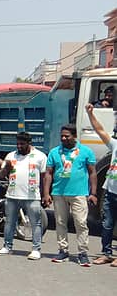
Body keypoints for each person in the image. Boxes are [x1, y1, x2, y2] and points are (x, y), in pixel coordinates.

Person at [44, 123, 97, 266]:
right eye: (62, 136)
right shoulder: (55, 152)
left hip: (79, 193)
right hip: (59, 193)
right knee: (60, 222)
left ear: (74, 136)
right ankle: (63, 251)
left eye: (67, 136)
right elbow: (48, 173)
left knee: (80, 223)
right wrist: (46, 193)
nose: (63, 138)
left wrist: (93, 193)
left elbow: (92, 172)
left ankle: (83, 253)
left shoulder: (86, 151)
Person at [0, 132, 47, 261]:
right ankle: (7, 246)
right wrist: (6, 167)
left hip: (32, 196)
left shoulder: (40, 156)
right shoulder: (11, 156)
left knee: (36, 223)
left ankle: (36, 249)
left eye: (22, 144)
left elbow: (45, 176)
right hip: (12, 195)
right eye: (17, 143)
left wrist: (46, 194)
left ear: (29, 143)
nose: (19, 146)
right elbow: (1, 174)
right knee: (10, 222)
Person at [81, 104, 117, 266]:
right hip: (110, 191)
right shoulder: (115, 145)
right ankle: (107, 253)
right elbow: (100, 130)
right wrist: (90, 114)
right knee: (107, 224)